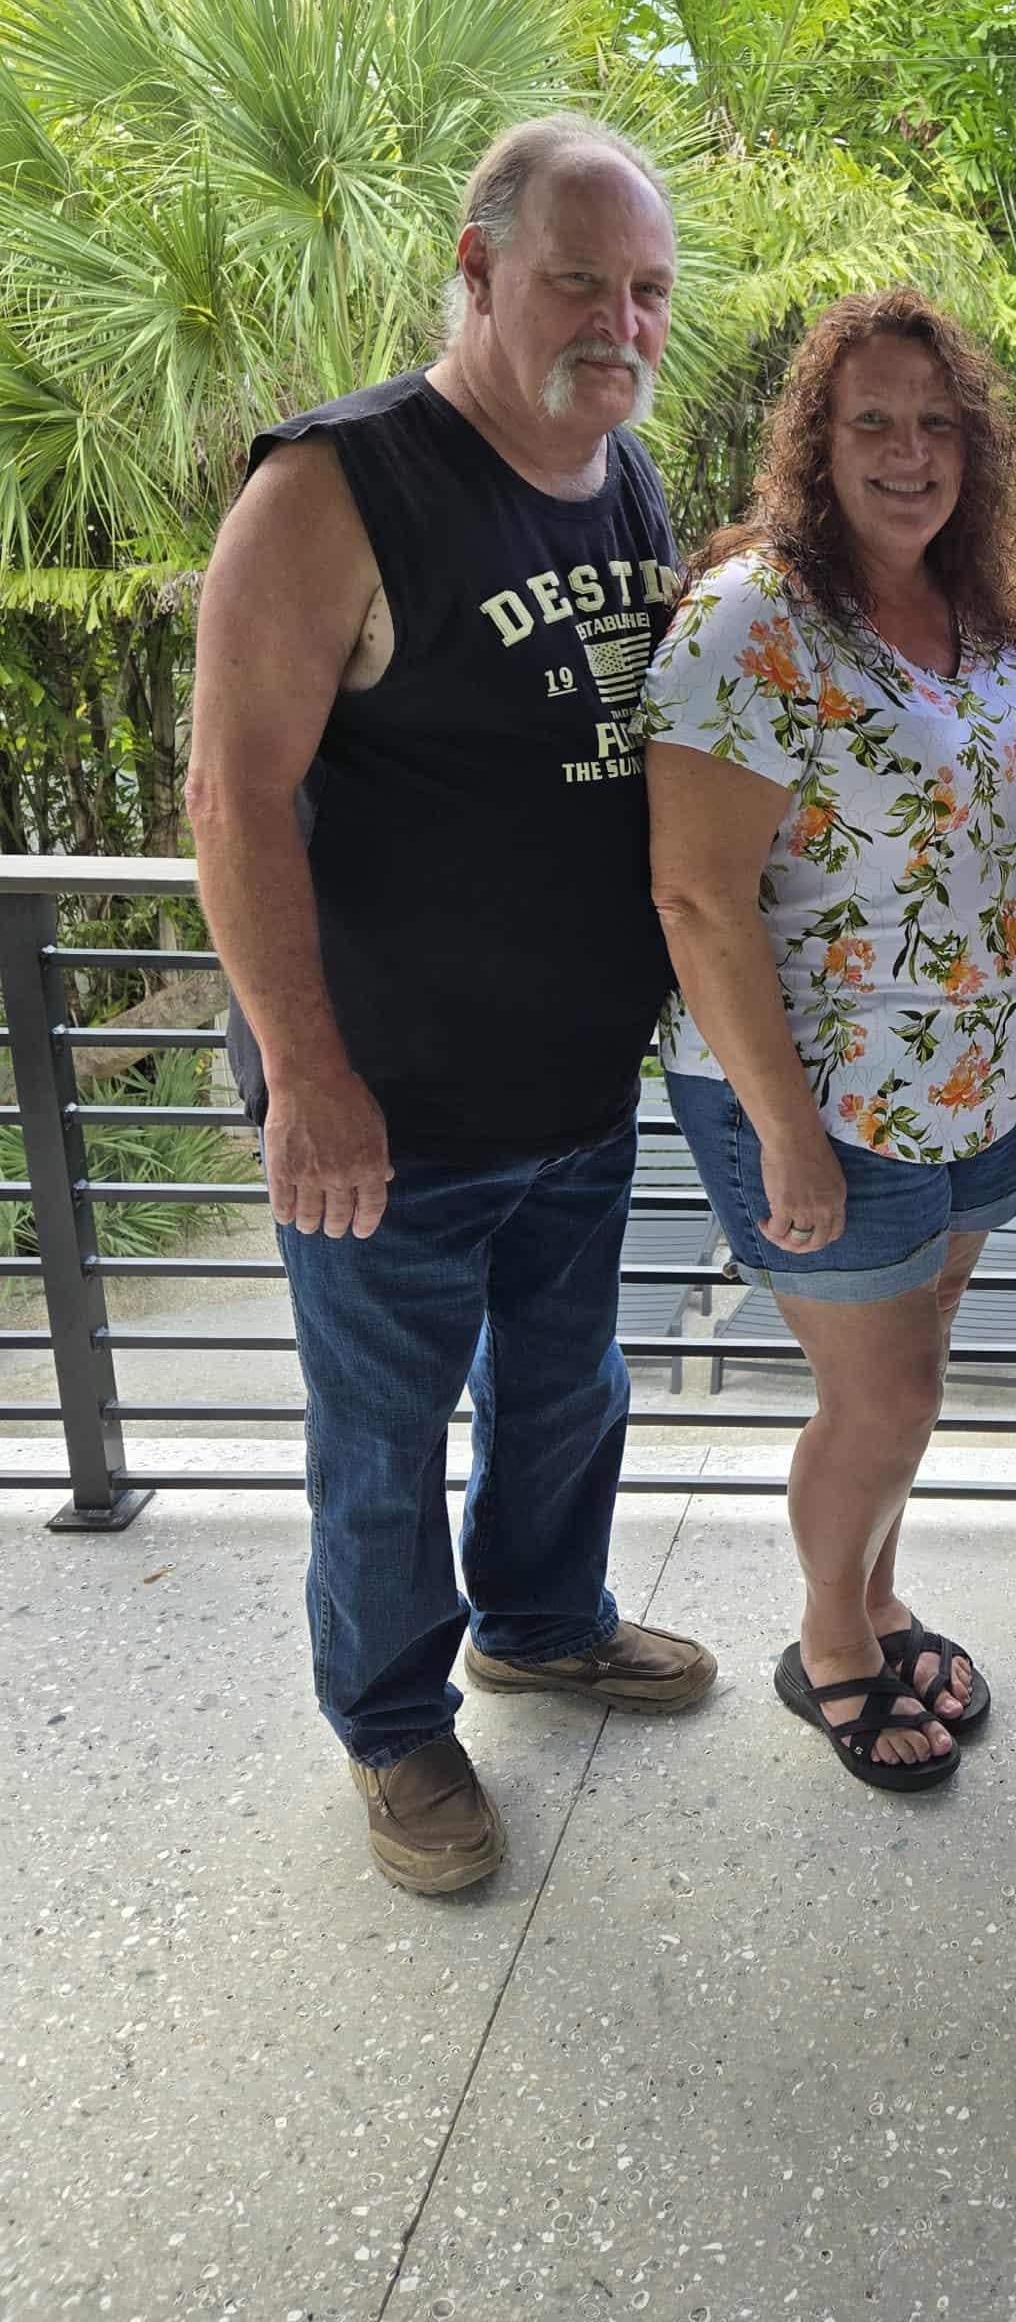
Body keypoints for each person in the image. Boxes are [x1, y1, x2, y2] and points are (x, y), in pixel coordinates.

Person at [188, 115, 718, 1898]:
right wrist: (308, 1074)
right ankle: (396, 1725)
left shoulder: (619, 476)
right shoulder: (337, 486)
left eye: (647, 291)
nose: (622, 321)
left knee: (569, 1392)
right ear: (480, 272)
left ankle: (547, 1622)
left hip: (571, 1083)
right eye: (581, 280)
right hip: (384, 1108)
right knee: (384, 1442)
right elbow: (230, 797)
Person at [641, 289, 1016, 1794]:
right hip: (818, 1097)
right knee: (880, 1399)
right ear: (814, 440)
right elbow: (695, 893)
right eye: (871, 422)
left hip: (975, 1079)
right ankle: (831, 1637)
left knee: (917, 1375)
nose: (908, 453)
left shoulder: (983, 614)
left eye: (937, 425)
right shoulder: (755, 615)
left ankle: (883, 1597)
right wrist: (785, 1134)